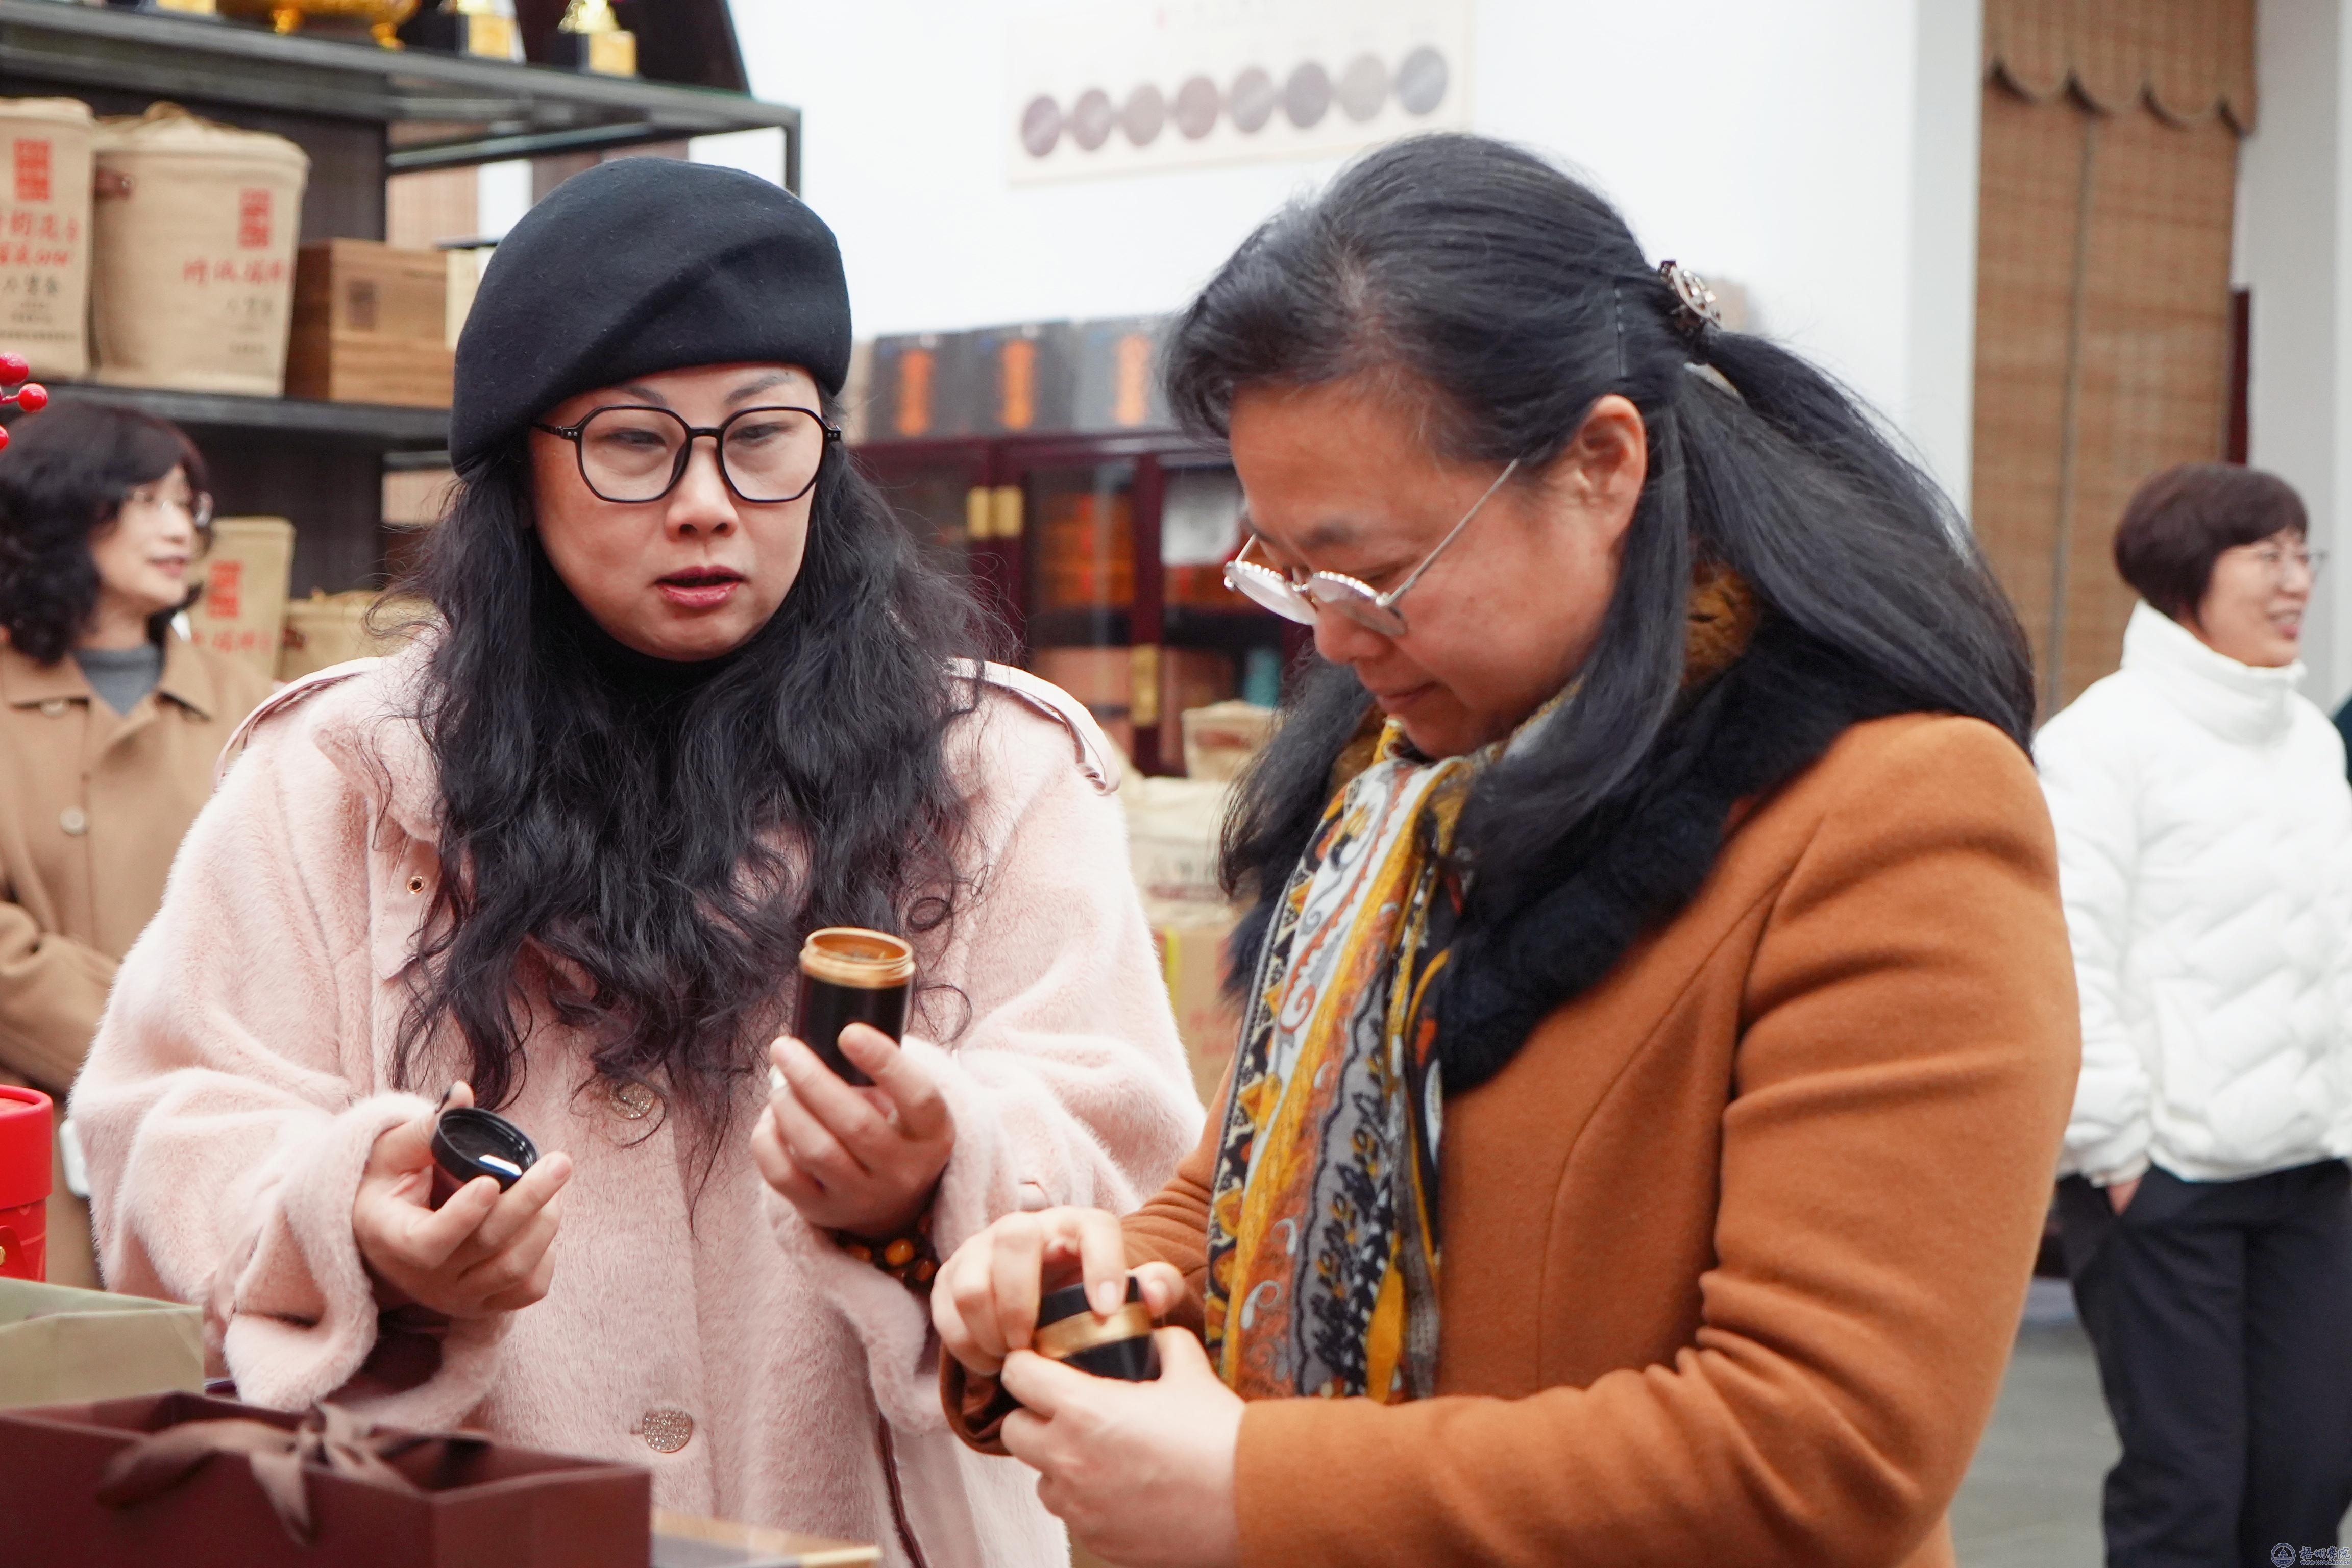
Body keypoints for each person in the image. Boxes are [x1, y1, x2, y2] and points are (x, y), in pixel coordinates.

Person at [930, 133, 2081, 1568]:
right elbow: (1235, 1200)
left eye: (1375, 572)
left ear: (1601, 465)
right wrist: (1090, 1275)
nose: (1334, 638)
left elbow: (1825, 1448)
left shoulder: (1891, 820)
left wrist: (1259, 1488)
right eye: (1290, 570)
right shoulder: (1395, 796)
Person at [70, 159, 1201, 1566]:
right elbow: (162, 1126)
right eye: (632, 443)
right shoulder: (337, 775)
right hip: (450, 1533)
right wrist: (353, 1225)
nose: (708, 502)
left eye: (764, 437)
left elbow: (1136, 1160)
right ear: (519, 472)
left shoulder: (994, 769)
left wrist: (939, 1170)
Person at [2036, 463, 2352, 1566]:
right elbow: (2066, 958)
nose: (2296, 581)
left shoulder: (2311, 742)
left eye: (2304, 554)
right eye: (2267, 556)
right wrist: (2121, 1153)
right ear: (2187, 575)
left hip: (2312, 1176)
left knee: (2311, 1478)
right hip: (2164, 1183)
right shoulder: (2101, 742)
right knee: (2191, 1491)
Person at [0, 403, 271, 1290]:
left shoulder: (259, 708)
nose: (177, 529)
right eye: (143, 500)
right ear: (58, 509)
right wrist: (146, 1030)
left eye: (186, 503)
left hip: (218, 1141)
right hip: (28, 1142)